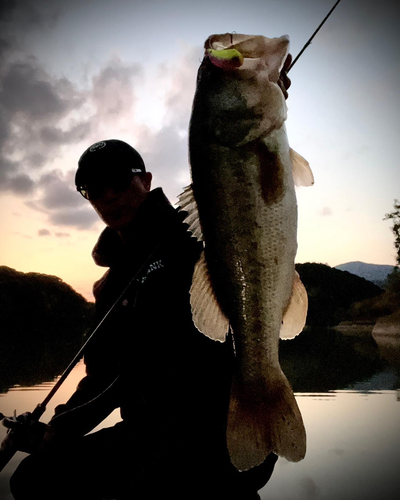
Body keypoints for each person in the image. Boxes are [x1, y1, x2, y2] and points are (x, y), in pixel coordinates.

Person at [9, 56, 292, 500]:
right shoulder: (111, 284)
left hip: (215, 429)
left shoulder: (193, 232)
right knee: (32, 478)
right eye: (93, 190)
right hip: (150, 437)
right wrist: (56, 432)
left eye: (118, 182)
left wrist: (258, 111)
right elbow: (103, 376)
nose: (107, 196)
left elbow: (245, 196)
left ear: (145, 179)